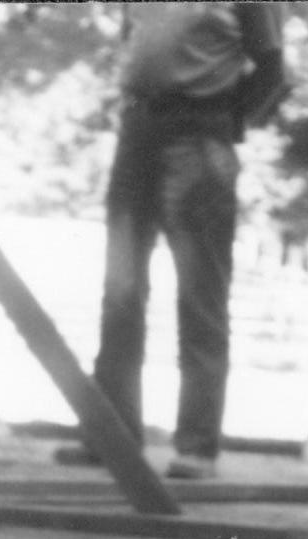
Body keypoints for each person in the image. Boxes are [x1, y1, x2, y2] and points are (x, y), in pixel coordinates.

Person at [90, 4, 289, 477]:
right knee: (120, 290)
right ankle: (111, 437)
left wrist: (224, 123)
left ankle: (197, 448)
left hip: (199, 138)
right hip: (137, 131)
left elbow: (273, 70)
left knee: (200, 295)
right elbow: (135, 42)